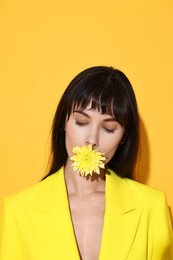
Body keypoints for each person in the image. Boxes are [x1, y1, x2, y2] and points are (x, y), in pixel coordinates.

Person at [0, 66, 173, 260]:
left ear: (124, 137)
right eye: (81, 122)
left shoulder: (151, 206)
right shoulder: (18, 210)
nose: (92, 139)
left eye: (108, 128)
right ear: (64, 122)